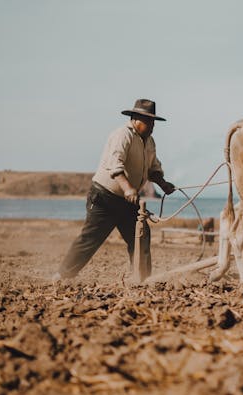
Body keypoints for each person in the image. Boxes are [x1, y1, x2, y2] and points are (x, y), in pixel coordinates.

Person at [58, 99, 175, 279]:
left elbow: (153, 169)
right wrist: (128, 188)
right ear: (135, 119)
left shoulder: (149, 141)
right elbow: (115, 165)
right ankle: (63, 275)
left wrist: (163, 183)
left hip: (128, 202)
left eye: (153, 122)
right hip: (105, 197)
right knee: (90, 239)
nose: (152, 126)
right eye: (149, 121)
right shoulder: (122, 135)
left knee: (141, 236)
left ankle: (141, 278)